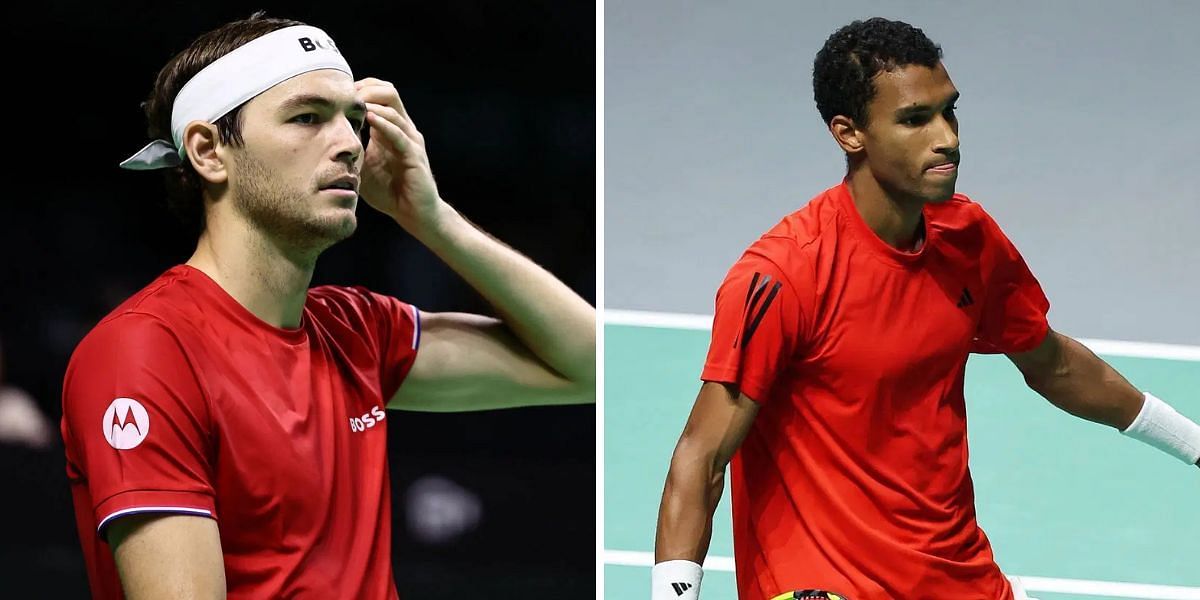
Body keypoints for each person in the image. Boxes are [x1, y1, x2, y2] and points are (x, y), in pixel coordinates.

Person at [651, 17, 1199, 600]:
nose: (947, 138)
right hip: (823, 586)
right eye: (914, 120)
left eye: (949, 112)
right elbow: (701, 457)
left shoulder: (968, 236)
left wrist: (1195, 444)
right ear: (849, 133)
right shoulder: (782, 276)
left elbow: (1054, 365)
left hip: (955, 575)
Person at [60, 13, 594, 599]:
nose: (349, 145)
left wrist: (433, 220)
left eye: (355, 121)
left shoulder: (353, 330)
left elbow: (592, 366)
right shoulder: (145, 354)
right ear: (209, 151)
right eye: (308, 117)